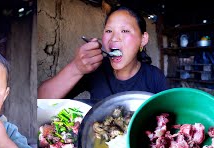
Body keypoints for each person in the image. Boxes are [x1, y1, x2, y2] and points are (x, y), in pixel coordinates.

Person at [37, 6, 168, 100]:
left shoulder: (155, 77)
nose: (114, 38)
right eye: (109, 31)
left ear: (143, 39)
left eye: (125, 31)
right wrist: (76, 68)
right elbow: (41, 98)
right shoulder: (95, 69)